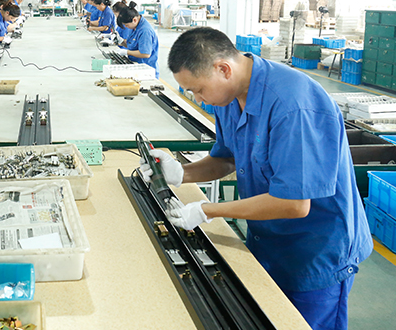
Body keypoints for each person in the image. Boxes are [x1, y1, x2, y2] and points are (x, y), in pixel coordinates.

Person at [148, 27, 372, 330]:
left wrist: (206, 210)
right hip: (268, 240)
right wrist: (181, 173)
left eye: (198, 90)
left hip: (314, 250)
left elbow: (294, 204)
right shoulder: (228, 97)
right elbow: (228, 158)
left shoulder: (293, 105)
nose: (198, 98)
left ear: (224, 69)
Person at [115, 5, 160, 78]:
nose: (126, 27)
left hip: (146, 71)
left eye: (126, 25)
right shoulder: (134, 26)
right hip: (136, 65)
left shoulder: (145, 31)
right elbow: (133, 44)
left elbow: (145, 54)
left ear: (134, 20)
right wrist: (122, 41)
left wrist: (127, 52)